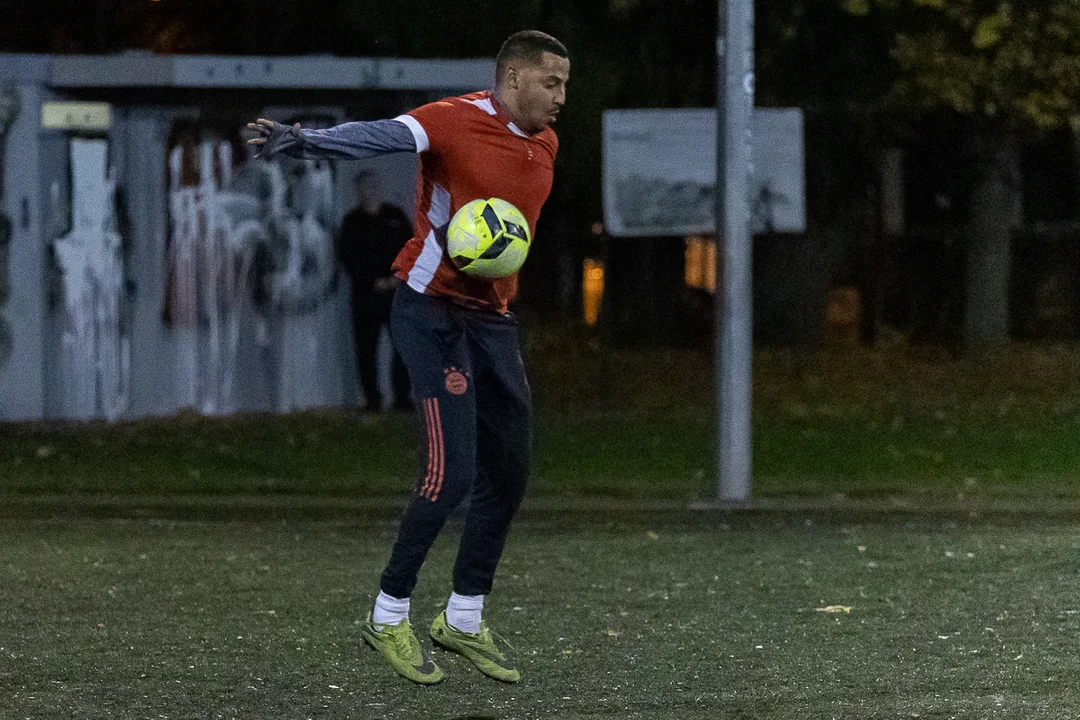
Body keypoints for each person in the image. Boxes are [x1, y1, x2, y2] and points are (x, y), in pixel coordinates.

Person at [247, 30, 569, 685]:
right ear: (513, 79)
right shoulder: (453, 120)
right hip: (431, 313)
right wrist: (307, 138)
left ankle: (463, 620)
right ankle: (388, 614)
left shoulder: (546, 142)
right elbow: (381, 136)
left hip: (492, 322)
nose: (562, 96)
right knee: (451, 476)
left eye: (565, 83)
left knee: (509, 472)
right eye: (551, 82)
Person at [337, 171, 413, 412]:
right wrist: (372, 281)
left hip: (396, 294)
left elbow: (411, 249)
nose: (369, 192)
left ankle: (402, 398)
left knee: (402, 346)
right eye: (364, 188)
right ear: (357, 192)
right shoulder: (351, 222)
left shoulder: (395, 216)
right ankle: (372, 399)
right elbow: (347, 258)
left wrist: (395, 279)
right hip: (365, 295)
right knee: (366, 348)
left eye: (372, 187)